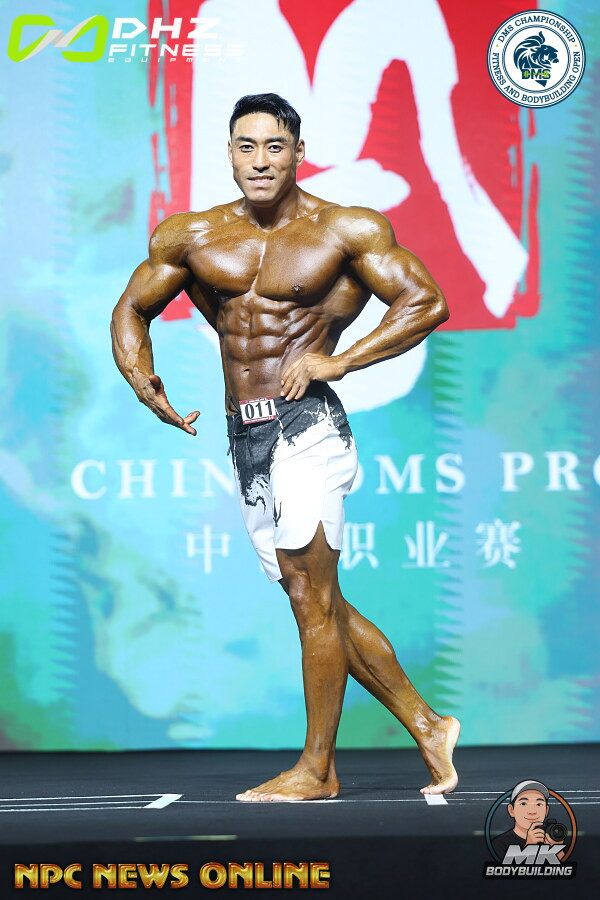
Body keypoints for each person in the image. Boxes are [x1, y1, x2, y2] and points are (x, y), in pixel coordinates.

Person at [110, 92, 460, 802]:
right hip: (246, 435)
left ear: (299, 152)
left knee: (312, 598)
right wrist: (142, 380)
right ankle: (429, 726)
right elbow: (132, 308)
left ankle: (318, 770)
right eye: (247, 146)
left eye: (275, 146)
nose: (261, 160)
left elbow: (427, 301)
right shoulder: (193, 235)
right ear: (229, 153)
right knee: (315, 599)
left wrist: (343, 359)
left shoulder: (345, 229)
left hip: (308, 427)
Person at [492, 781, 566, 861]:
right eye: (523, 804)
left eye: (539, 804)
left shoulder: (553, 837)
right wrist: (529, 846)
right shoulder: (499, 844)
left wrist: (557, 849)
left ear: (546, 811)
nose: (532, 811)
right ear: (511, 810)